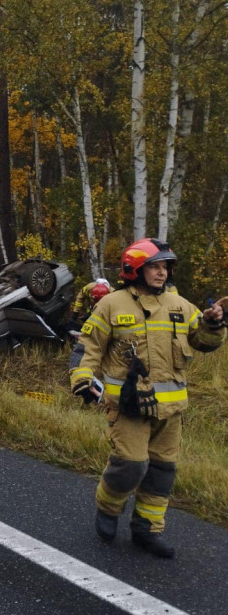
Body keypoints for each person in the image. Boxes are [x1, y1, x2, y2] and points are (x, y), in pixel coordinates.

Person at [70, 238, 226, 558]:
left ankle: (146, 529)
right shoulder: (111, 304)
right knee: (131, 465)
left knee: (161, 471)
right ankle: (109, 508)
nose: (162, 272)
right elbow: (88, 347)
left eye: (165, 266)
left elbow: (204, 342)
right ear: (134, 270)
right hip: (128, 407)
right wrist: (83, 378)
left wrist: (213, 323)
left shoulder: (180, 305)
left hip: (170, 410)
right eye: (155, 266)